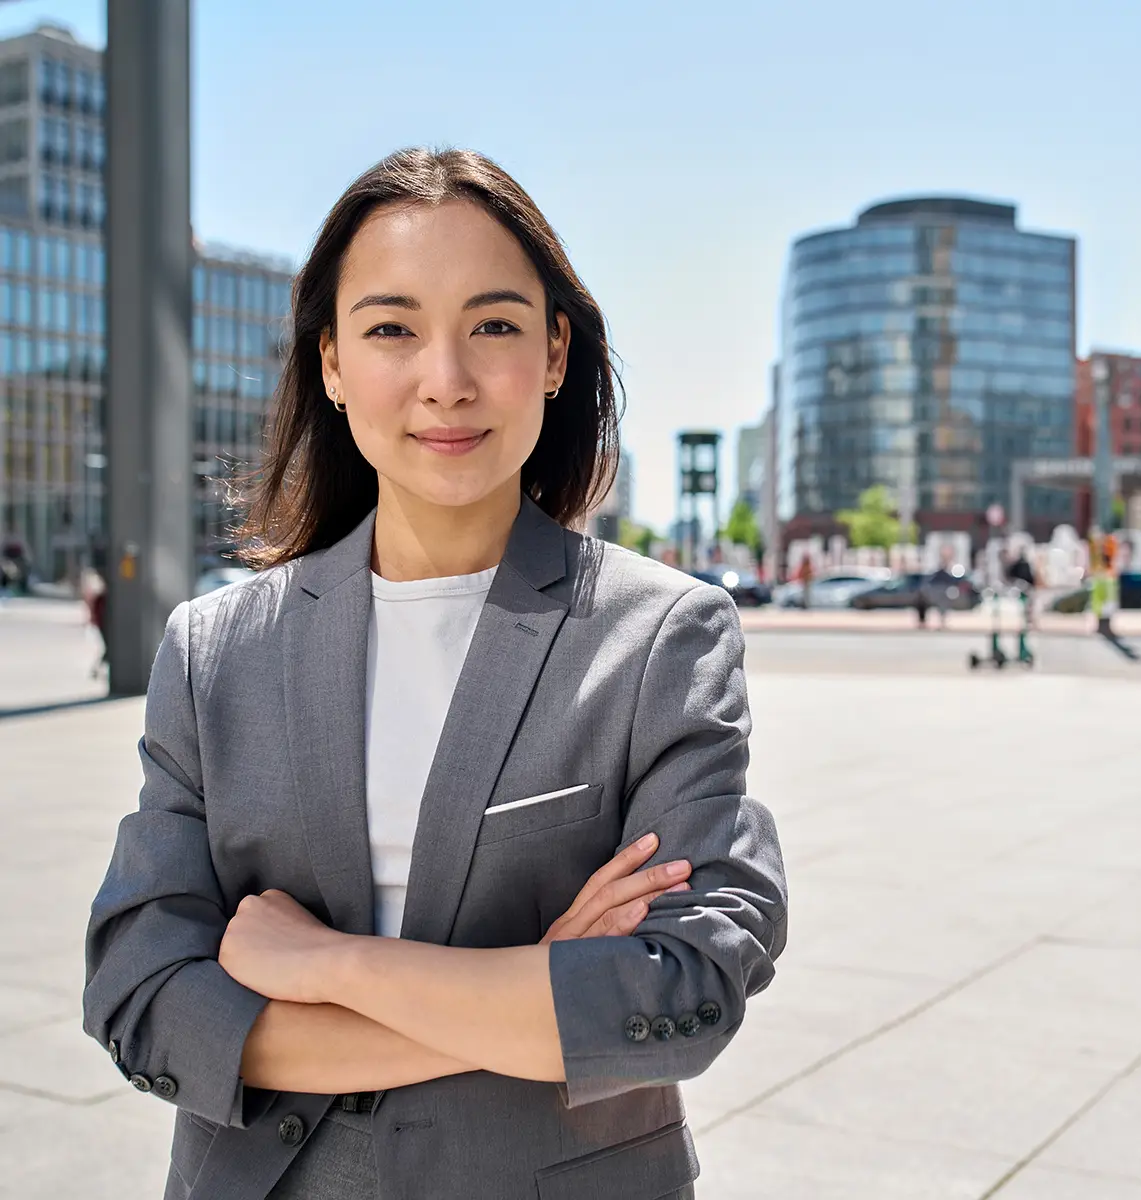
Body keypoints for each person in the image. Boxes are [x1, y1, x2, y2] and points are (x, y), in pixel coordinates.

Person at [83, 148, 787, 1200]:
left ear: (555, 352)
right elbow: (145, 996)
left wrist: (327, 966)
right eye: (391, 328)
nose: (445, 379)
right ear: (330, 362)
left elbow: (685, 989)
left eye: (495, 325)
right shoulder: (215, 649)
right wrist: (527, 992)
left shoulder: (661, 638)